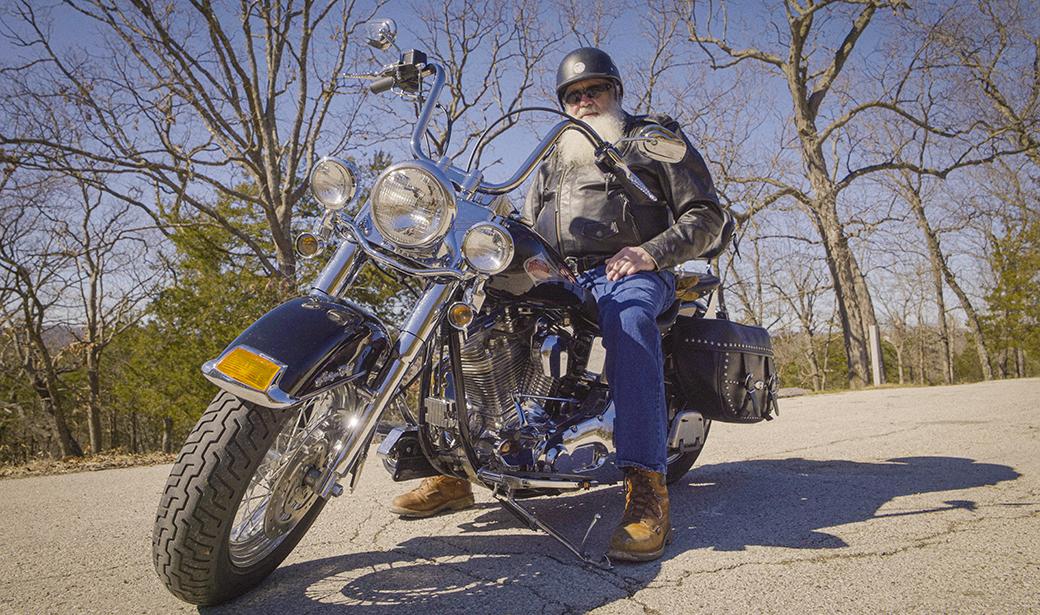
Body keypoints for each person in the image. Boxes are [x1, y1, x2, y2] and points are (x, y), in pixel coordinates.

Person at [389, 47, 725, 562]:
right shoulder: (553, 156)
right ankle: (454, 471)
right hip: (563, 275)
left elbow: (705, 215)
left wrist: (650, 253)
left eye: (594, 90)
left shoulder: (652, 140)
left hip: (630, 270)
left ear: (615, 92)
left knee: (631, 318)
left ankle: (645, 487)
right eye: (573, 95)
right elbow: (527, 225)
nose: (584, 100)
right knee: (466, 314)